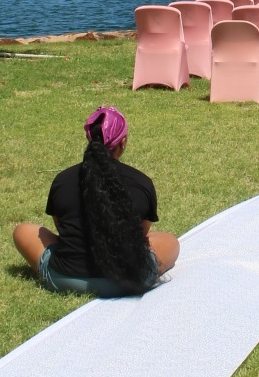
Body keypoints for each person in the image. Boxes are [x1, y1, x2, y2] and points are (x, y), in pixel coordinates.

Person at [12, 106, 180, 298]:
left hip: (65, 278)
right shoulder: (141, 183)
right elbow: (140, 234)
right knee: (170, 241)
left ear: (89, 139)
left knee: (23, 230)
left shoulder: (62, 180)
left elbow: (61, 229)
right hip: (129, 279)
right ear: (122, 143)